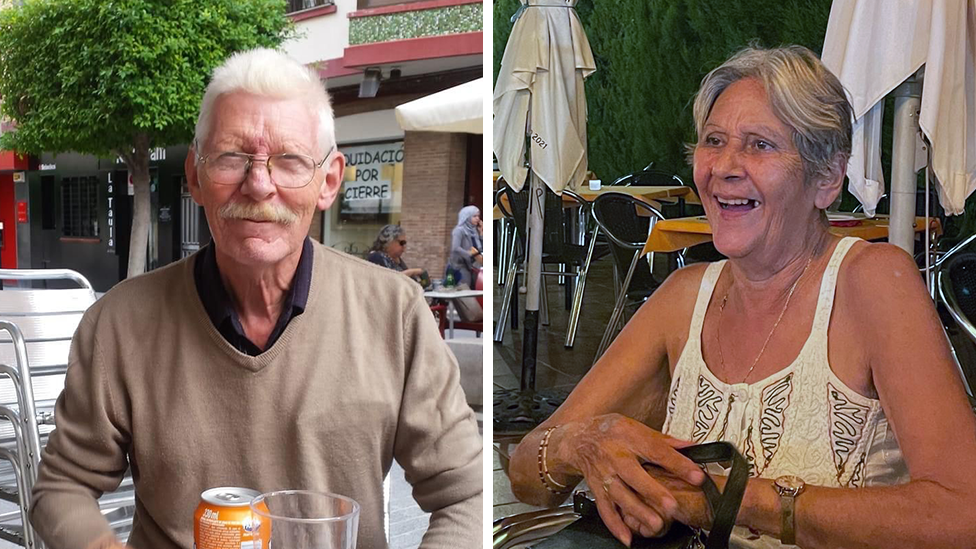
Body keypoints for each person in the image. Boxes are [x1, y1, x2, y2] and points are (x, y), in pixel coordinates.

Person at [508, 45, 976, 548]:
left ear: (827, 177)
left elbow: (961, 512)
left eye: (760, 145)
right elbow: (524, 473)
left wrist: (725, 498)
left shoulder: (872, 282)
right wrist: (580, 443)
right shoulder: (684, 299)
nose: (724, 166)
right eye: (714, 140)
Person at [30, 48, 482, 549]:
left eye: (289, 161)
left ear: (328, 181)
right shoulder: (119, 323)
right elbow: (61, 488)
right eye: (231, 158)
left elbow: (467, 494)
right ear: (196, 178)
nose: (259, 184)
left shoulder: (393, 313)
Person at [447, 205, 483, 287]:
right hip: (460, 266)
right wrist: (469, 254)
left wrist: (481, 234)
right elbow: (455, 248)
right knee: (465, 289)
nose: (477, 219)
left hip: (474, 266)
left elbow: (480, 248)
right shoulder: (459, 230)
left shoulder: (474, 231)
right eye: (474, 216)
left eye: (478, 216)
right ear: (467, 217)